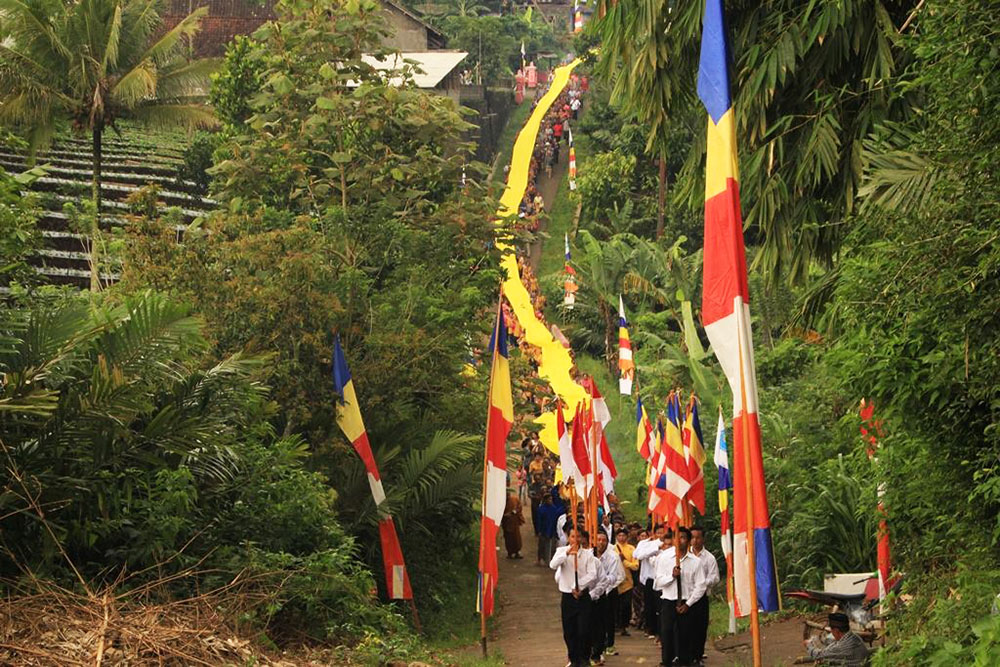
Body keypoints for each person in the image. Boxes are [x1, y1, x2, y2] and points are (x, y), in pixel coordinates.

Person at [654, 527, 707, 667]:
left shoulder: (695, 562)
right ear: (672, 540)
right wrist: (671, 576)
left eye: (683, 537)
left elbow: (700, 585)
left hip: (686, 602)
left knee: (685, 634)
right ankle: (667, 661)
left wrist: (688, 603)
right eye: (677, 537)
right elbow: (658, 582)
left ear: (688, 541)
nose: (680, 541)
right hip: (668, 601)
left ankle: (684, 660)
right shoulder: (664, 558)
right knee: (667, 632)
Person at [551, 528, 598, 667]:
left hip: (582, 596)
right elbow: (553, 565)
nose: (575, 540)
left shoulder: (588, 555)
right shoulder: (561, 551)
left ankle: (584, 657)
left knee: (584, 629)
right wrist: (566, 553)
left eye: (578, 537)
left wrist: (578, 586)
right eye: (572, 536)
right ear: (568, 537)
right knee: (569, 630)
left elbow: (592, 574)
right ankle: (573, 658)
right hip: (567, 597)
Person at [589, 531, 625, 664]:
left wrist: (603, 587)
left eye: (604, 540)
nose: (601, 542)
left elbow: (615, 576)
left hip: (607, 593)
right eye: (598, 539)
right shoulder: (588, 555)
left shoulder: (613, 557)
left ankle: (601, 649)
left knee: (603, 623)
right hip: (589, 594)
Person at [690, 526, 720, 661]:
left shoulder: (709, 558)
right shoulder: (684, 556)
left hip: (701, 597)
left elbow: (715, 578)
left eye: (698, 537)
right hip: (687, 596)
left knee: (700, 627)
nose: (695, 541)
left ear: (703, 539)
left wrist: (701, 583)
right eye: (692, 537)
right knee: (686, 627)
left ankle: (698, 654)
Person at [633, 524, 667, 638]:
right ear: (654, 533)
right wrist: (656, 549)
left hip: (662, 579)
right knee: (649, 605)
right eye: (659, 532)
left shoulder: (669, 544)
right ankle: (650, 628)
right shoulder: (646, 543)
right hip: (649, 578)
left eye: (663, 532)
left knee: (660, 606)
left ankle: (660, 631)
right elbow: (638, 555)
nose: (661, 535)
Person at [804, 612, 870, 667]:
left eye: (832, 631)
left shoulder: (842, 646)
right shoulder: (854, 636)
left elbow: (818, 655)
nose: (831, 633)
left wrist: (808, 645)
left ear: (836, 631)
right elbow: (834, 644)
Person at [613, 529, 639, 636]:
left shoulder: (632, 549)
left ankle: (624, 626)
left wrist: (624, 561)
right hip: (614, 582)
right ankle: (616, 625)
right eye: (619, 535)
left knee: (626, 605)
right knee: (615, 606)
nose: (621, 538)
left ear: (627, 536)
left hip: (628, 582)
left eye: (624, 535)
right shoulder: (612, 549)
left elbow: (635, 566)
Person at [537, 492, 561, 565]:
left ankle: (549, 560)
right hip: (543, 529)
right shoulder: (541, 509)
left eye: (551, 499)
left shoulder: (554, 509)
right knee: (542, 545)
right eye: (549, 499)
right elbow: (539, 520)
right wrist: (539, 530)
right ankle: (540, 559)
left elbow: (555, 520)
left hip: (551, 529)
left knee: (550, 545)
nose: (550, 501)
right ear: (546, 500)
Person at [500, 490, 524, 558]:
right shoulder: (502, 502)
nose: (507, 496)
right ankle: (509, 553)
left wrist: (514, 512)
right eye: (506, 495)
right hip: (506, 523)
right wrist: (505, 515)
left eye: (508, 495)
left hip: (514, 522)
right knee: (508, 538)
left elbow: (519, 507)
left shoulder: (514, 499)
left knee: (516, 538)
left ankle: (517, 552)